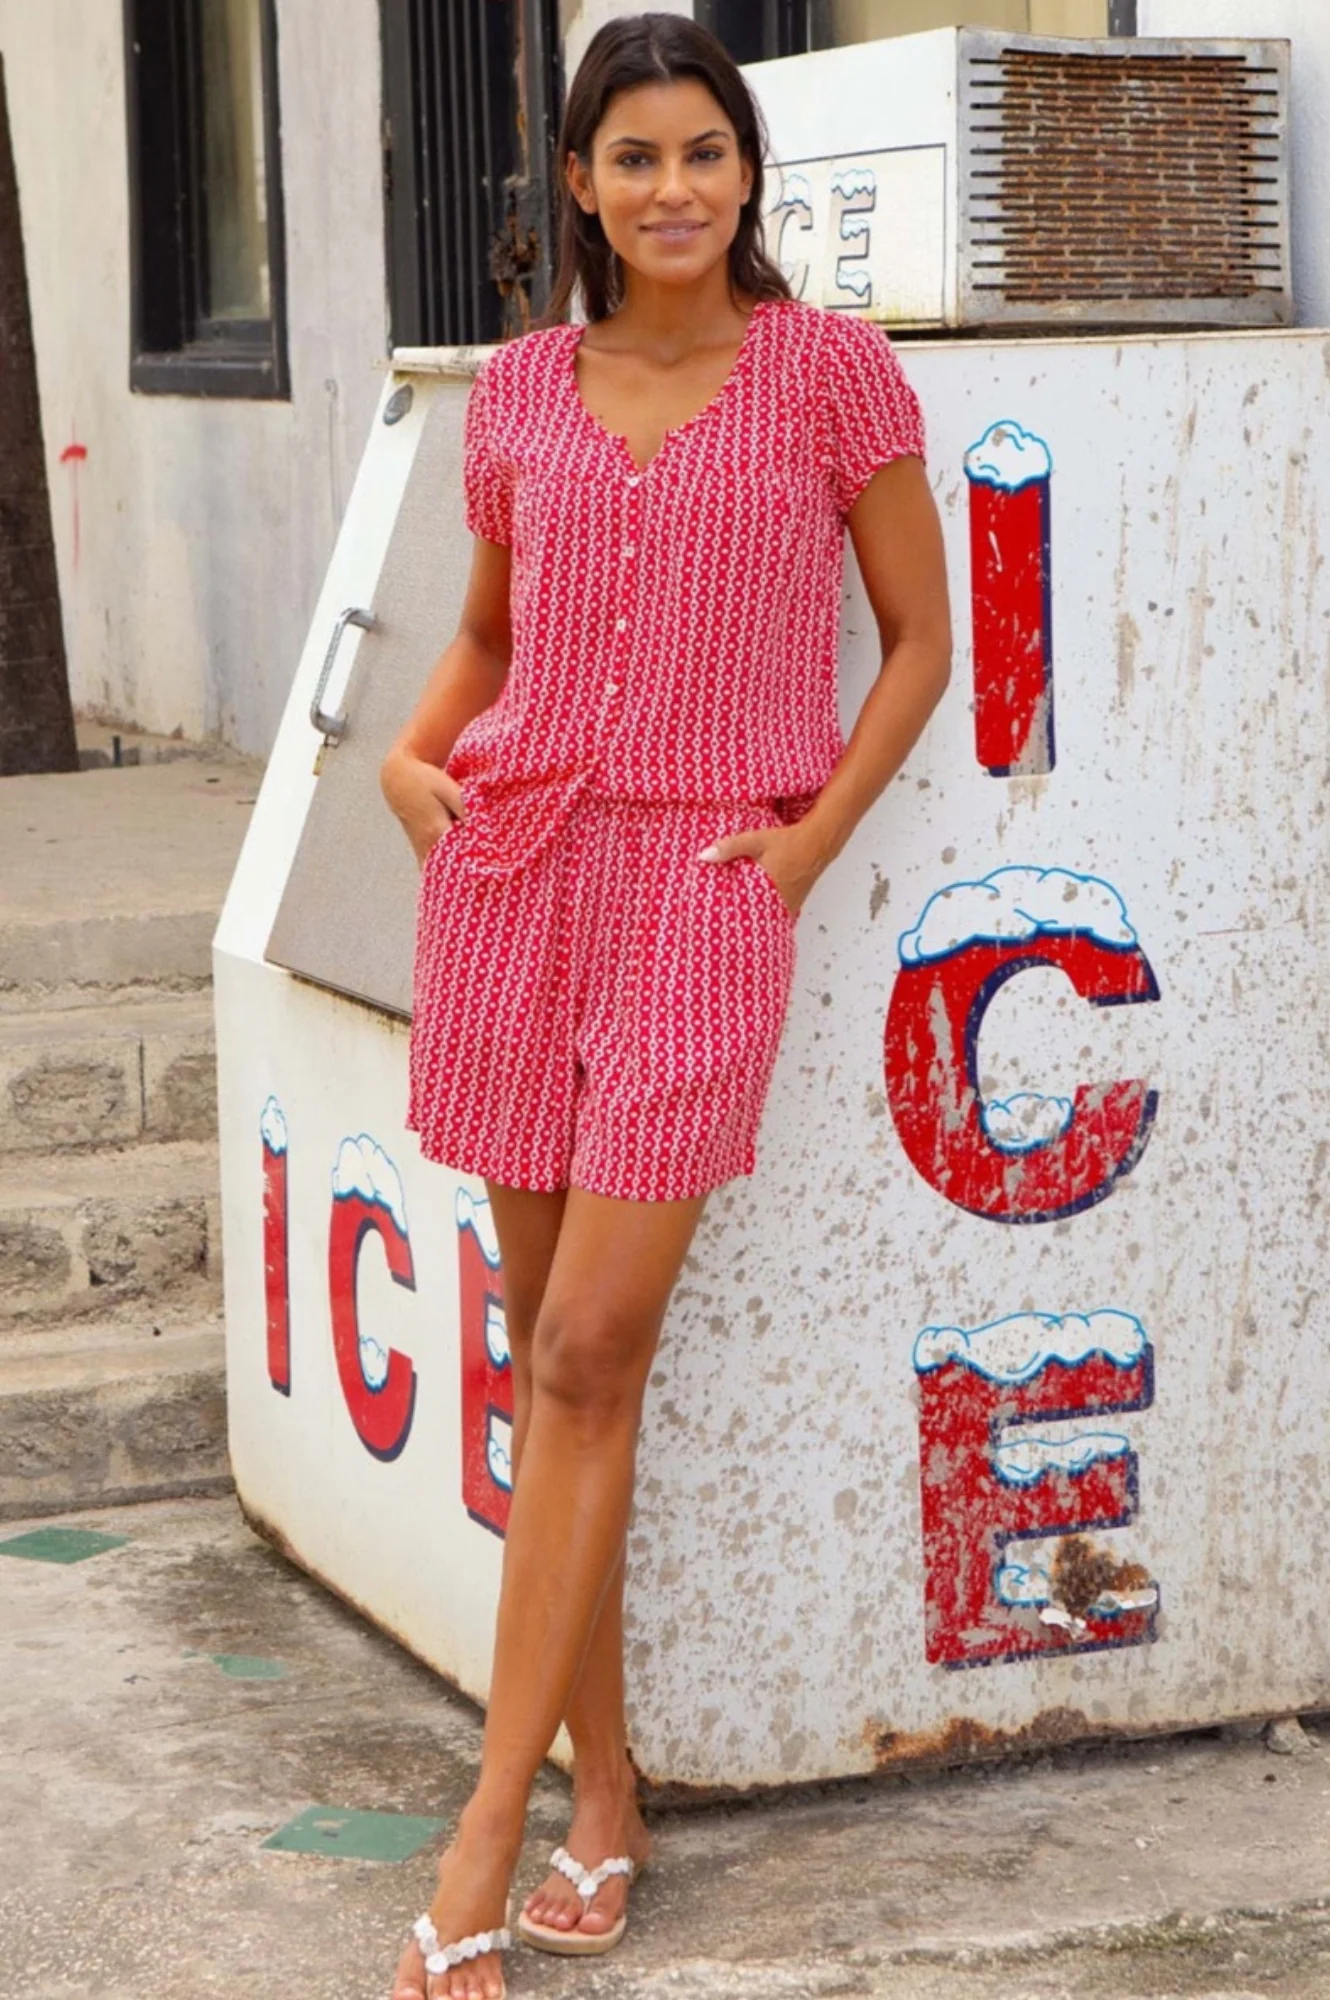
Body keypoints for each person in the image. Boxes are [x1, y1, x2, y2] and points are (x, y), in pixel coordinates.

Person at [380, 13, 951, 1997]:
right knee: (557, 1364)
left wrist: (792, 854)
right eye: (634, 158)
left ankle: (482, 1822)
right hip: (513, 884)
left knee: (589, 1346)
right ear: (577, 185)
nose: (675, 189)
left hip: (707, 885)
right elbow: (476, 636)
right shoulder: (522, 389)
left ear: (746, 172)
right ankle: (600, 1799)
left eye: (706, 151)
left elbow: (915, 644)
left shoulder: (824, 373)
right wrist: (408, 763)